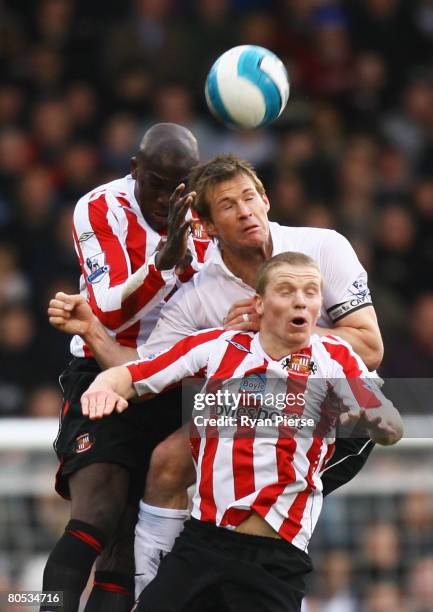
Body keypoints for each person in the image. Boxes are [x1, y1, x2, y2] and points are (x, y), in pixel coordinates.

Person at [48, 154, 384, 593]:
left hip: (338, 414)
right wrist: (92, 328)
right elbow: (148, 373)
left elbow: (371, 347)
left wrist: (276, 327)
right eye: (228, 205)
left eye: (249, 198)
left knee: (249, 530)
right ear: (205, 227)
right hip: (248, 405)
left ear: (266, 200)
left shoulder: (323, 248)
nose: (245, 211)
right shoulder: (196, 295)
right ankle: (155, 592)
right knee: (168, 464)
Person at [79, 252, 403, 612]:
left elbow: (391, 424)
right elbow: (136, 374)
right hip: (204, 542)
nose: (301, 299)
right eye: (287, 290)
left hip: (276, 558)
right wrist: (101, 386)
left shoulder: (336, 358)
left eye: (311, 292)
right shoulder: (219, 347)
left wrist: (379, 422)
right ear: (260, 304)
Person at [41, 123, 209, 612]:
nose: (165, 196)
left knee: (125, 551)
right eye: (155, 181)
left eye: (178, 184)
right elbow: (106, 312)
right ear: (135, 169)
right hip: (103, 375)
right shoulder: (100, 208)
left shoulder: (205, 218)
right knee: (97, 516)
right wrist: (164, 262)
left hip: (173, 385)